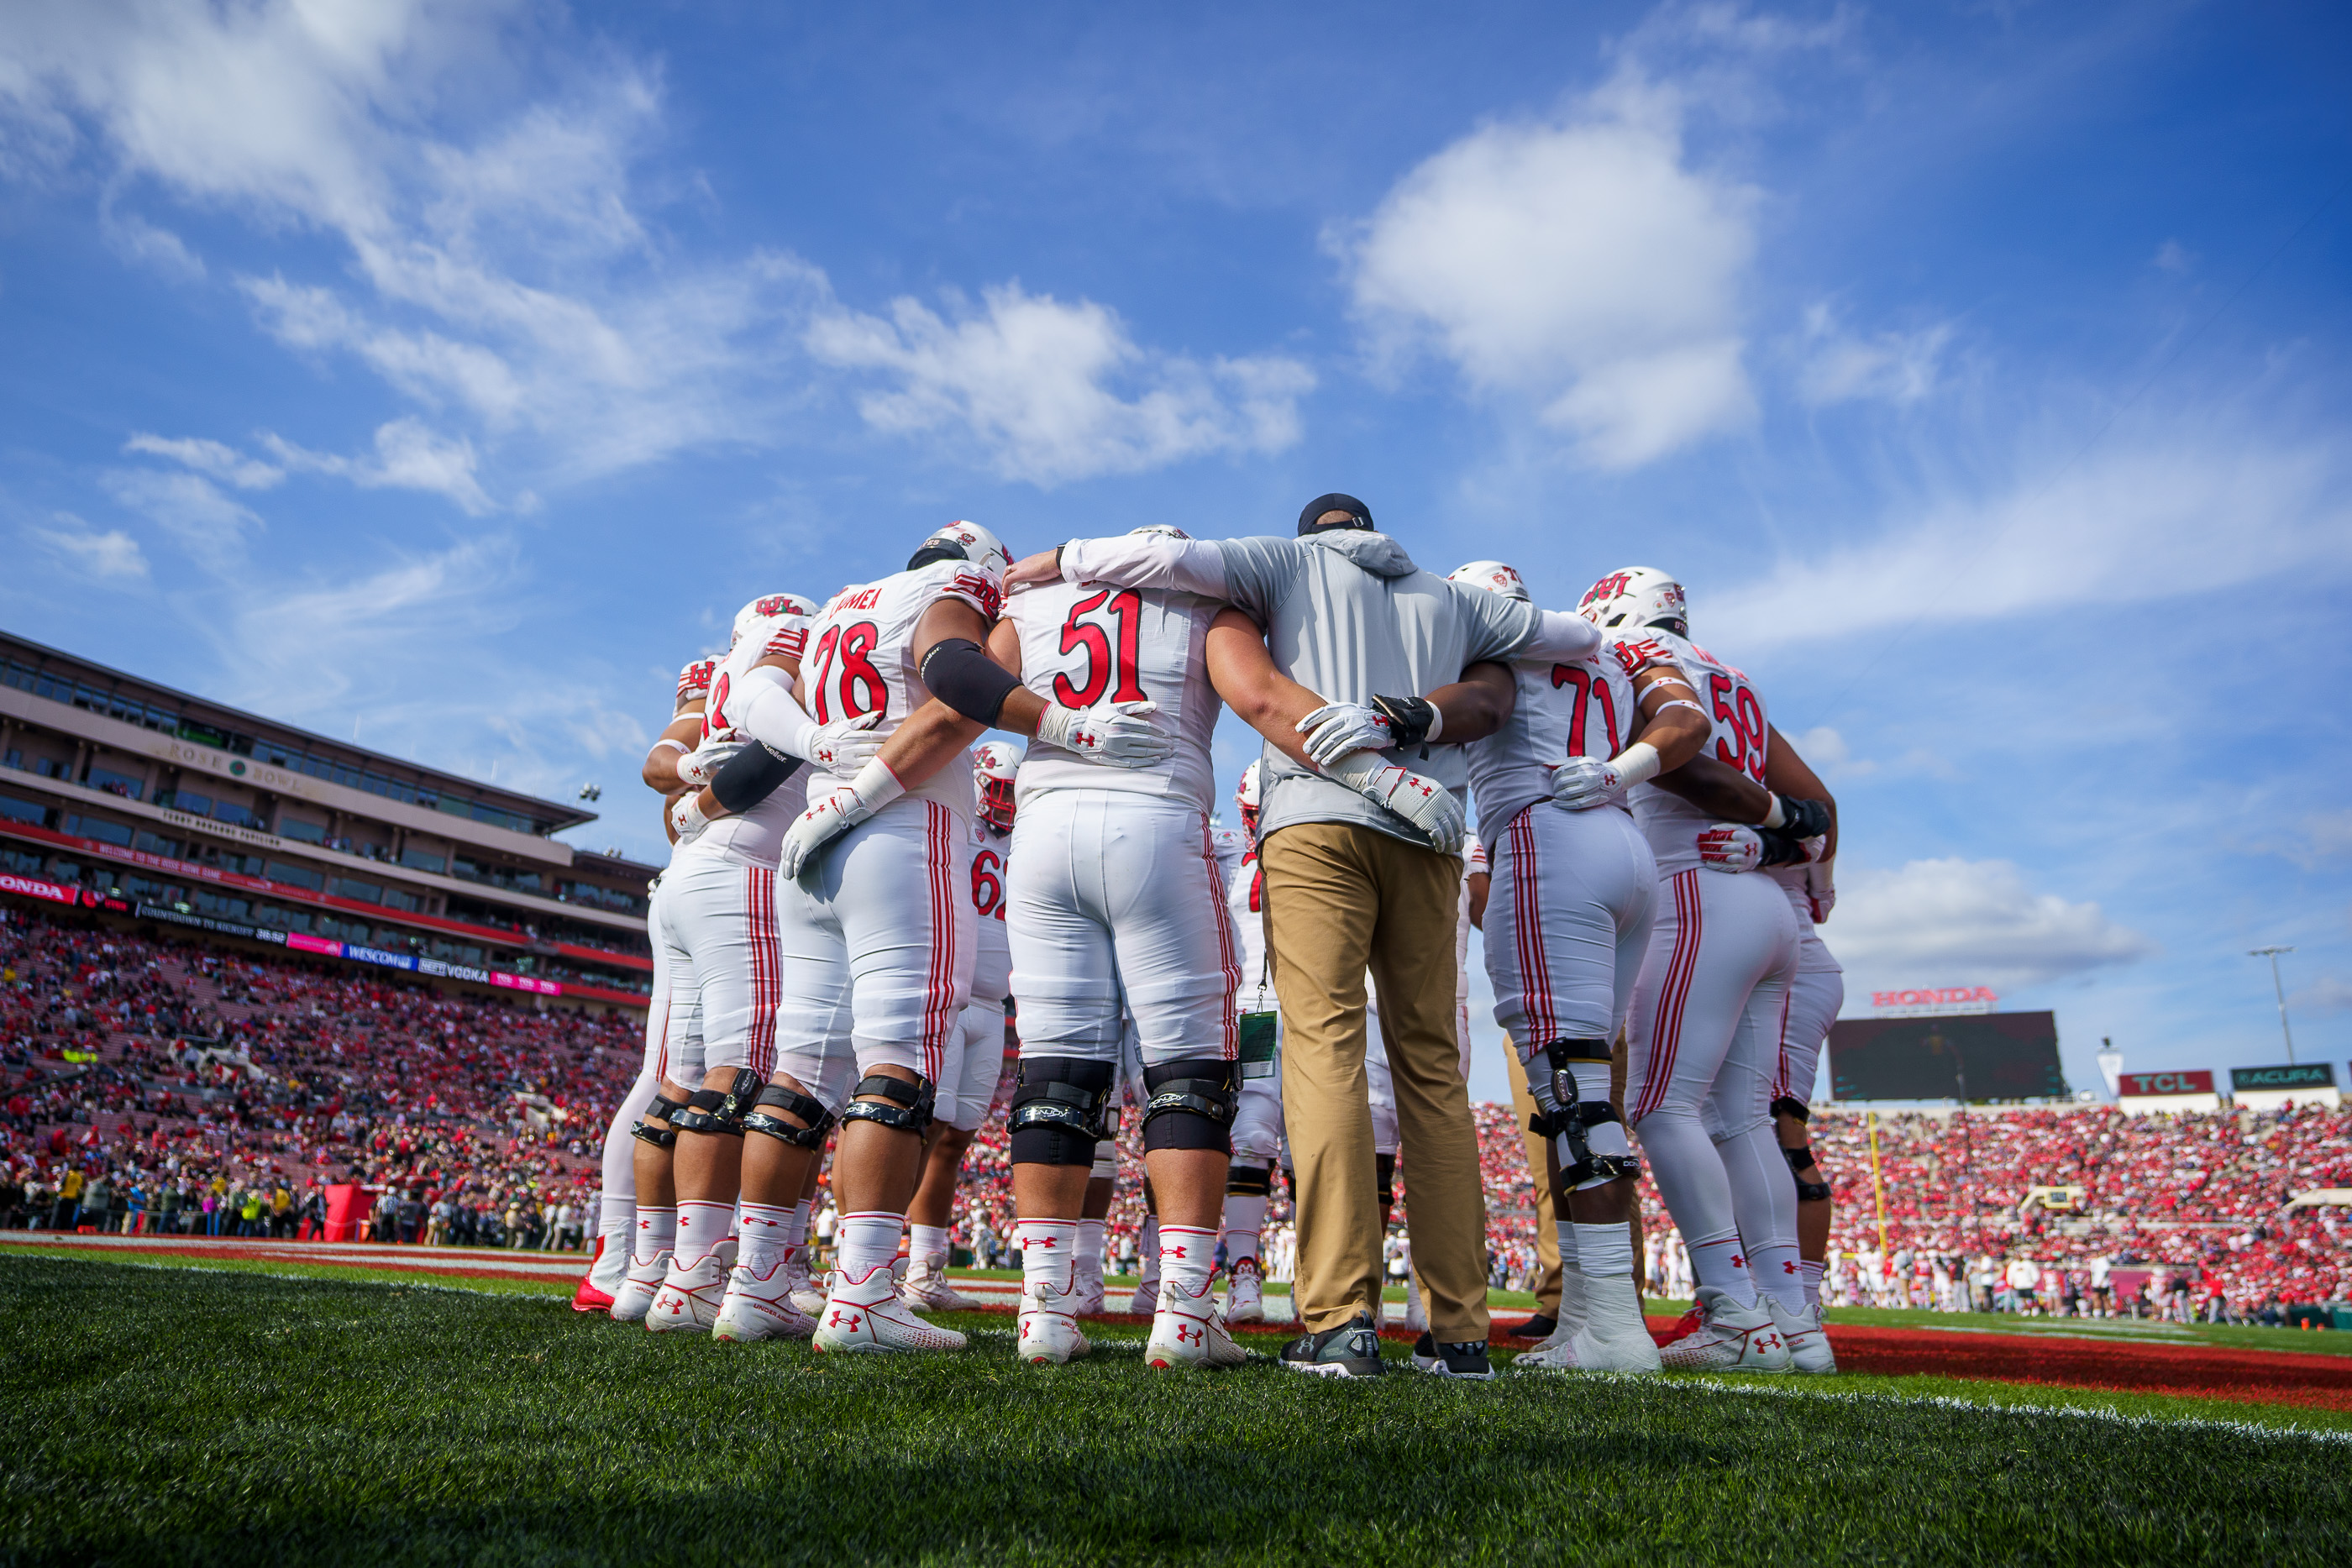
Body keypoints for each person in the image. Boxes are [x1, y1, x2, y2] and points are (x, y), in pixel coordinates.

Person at [1008, 492, 1605, 1380]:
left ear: (1308, 535)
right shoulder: (1454, 597)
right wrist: (1423, 712)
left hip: (1317, 818)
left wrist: (1059, 555)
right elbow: (1574, 641)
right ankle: (1461, 1329)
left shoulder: (1280, 565)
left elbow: (1168, 565)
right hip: (1431, 828)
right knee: (1434, 1071)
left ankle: (1339, 1316)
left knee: (1323, 1048)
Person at [989, 525, 1247, 1369]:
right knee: (1189, 1067)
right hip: (1154, 813)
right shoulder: (1208, 594)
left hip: (1044, 825)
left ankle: (1044, 1308)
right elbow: (1259, 693)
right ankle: (1183, 1309)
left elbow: (967, 681)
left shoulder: (1029, 600)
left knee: (1056, 1068)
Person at [1451, 558, 1712, 1372]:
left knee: (1572, 1090)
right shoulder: (1611, 649)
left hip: (1544, 836)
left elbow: (1471, 710)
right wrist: (1618, 767)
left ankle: (1612, 1329)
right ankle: (1594, 1315)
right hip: (1625, 840)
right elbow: (1686, 722)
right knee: (1582, 1088)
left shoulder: (1487, 635)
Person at [1577, 566, 1820, 1373]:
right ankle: (1793, 1321)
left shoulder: (1630, 650)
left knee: (1658, 1105)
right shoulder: (1733, 672)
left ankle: (1732, 1309)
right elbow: (1817, 805)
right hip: (1761, 901)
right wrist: (1794, 849)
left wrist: (1616, 772)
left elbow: (1683, 760)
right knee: (1743, 1119)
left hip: (1694, 886)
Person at [642, 595, 840, 1336]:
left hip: (691, 876)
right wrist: (712, 794)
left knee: (682, 1081)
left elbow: (657, 763)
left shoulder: (721, 671)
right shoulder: (787, 656)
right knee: (743, 1071)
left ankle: (655, 1273)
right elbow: (778, 739)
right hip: (746, 870)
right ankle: (702, 1274)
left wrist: (693, 783)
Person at [899, 742, 1027, 1313]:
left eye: (1009, 791)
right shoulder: (953, 822)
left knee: (954, 1139)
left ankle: (925, 1269)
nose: (1001, 802)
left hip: (993, 1003)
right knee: (919, 1127)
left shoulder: (1022, 839)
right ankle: (871, 1257)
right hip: (947, 995)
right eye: (995, 788)